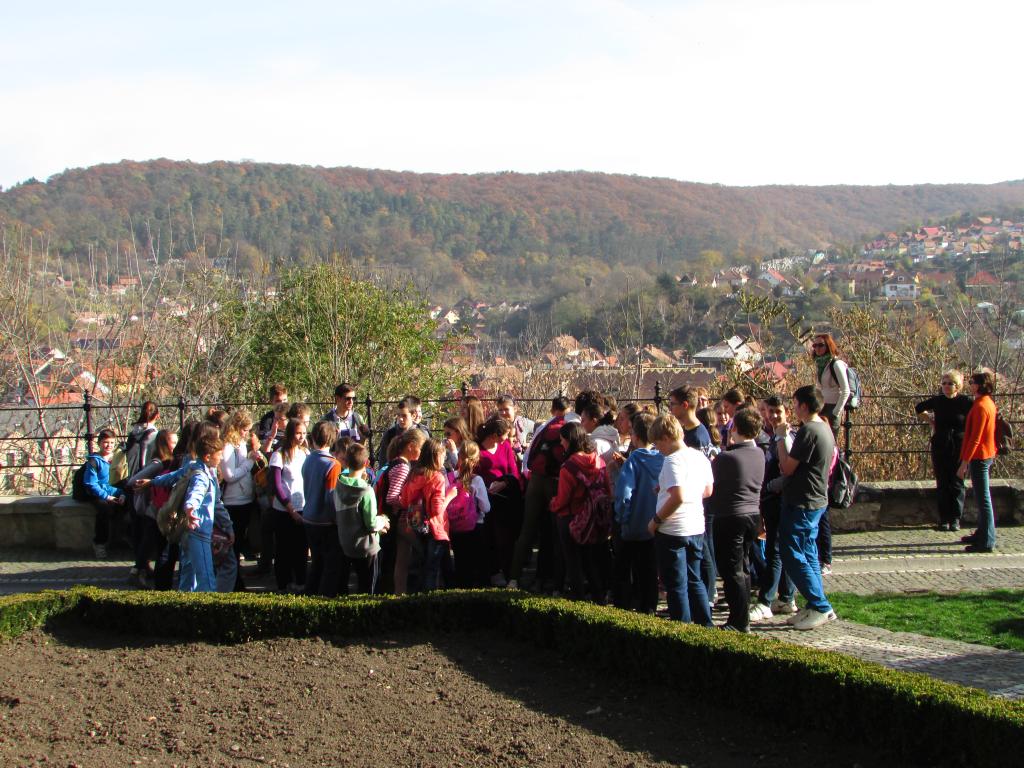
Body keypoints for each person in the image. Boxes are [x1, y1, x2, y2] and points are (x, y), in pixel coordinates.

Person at [776, 385, 837, 630]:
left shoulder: (809, 431)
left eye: (794, 403)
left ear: (803, 405)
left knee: (792, 553)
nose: (793, 408)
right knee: (809, 552)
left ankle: (821, 606)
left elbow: (787, 467)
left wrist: (780, 438)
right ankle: (814, 603)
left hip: (802, 501)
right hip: (815, 500)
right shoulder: (823, 427)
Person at [647, 414, 714, 626]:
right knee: (695, 580)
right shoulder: (699, 457)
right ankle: (705, 625)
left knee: (676, 585)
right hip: (696, 526)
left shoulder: (672, 460)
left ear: (666, 438)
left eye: (658, 444)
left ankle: (681, 629)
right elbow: (707, 490)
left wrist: (656, 520)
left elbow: (678, 497)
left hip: (673, 529)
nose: (658, 449)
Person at [708, 408, 766, 632]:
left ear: (735, 428)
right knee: (743, 567)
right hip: (752, 514)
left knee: (731, 570)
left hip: (730, 516)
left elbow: (713, 483)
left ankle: (738, 621)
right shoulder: (759, 453)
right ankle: (743, 616)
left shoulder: (727, 458)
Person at [510, 396, 571, 592]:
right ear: (569, 408)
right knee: (556, 533)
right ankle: (557, 584)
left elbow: (529, 456)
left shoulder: (544, 426)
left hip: (536, 480)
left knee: (527, 530)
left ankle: (513, 578)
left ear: (552, 410)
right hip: (556, 481)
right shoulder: (571, 425)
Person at [550, 422, 611, 604]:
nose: (561, 444)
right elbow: (608, 490)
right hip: (595, 519)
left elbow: (563, 499)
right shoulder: (599, 462)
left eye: (562, 440)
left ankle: (578, 600)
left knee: (573, 561)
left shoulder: (568, 467)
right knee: (591, 560)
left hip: (571, 518)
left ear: (570, 441)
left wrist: (553, 504)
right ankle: (599, 598)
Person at [749, 396, 798, 621]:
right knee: (780, 549)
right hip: (770, 500)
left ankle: (766, 600)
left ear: (787, 411)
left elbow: (789, 471)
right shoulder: (771, 436)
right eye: (770, 411)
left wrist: (771, 486)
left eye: (778, 411)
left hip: (780, 499)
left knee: (774, 550)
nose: (773, 416)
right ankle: (787, 597)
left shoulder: (787, 436)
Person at [613, 411, 663, 613]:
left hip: (633, 525)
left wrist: (621, 517)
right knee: (649, 570)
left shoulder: (633, 460)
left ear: (636, 435)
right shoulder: (662, 459)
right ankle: (649, 608)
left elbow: (624, 494)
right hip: (655, 524)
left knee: (624, 569)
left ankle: (623, 607)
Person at [915, 370, 973, 532]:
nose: (946, 386)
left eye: (950, 384)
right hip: (941, 444)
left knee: (957, 482)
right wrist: (931, 421)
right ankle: (944, 519)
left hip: (959, 444)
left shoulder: (965, 401)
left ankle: (955, 518)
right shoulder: (938, 400)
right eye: (944, 383)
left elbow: (974, 418)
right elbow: (919, 408)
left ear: (957, 386)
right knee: (942, 482)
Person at [400, 438, 458, 591]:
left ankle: (413, 599)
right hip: (435, 529)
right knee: (432, 570)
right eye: (443, 456)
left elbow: (404, 501)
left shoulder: (413, 474)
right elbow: (436, 510)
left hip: (415, 527)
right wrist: (450, 496)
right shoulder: (436, 477)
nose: (444, 460)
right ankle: (432, 601)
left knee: (418, 567)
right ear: (436, 456)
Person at [124, 429, 178, 588]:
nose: (176, 446)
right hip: (154, 509)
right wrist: (150, 483)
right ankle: (137, 572)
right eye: (173, 442)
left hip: (158, 508)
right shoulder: (158, 463)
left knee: (153, 544)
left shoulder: (169, 461)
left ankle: (142, 572)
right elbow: (133, 481)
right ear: (164, 444)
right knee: (150, 544)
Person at [336, 442, 391, 594]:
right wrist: (383, 521)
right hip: (366, 547)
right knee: (367, 588)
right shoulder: (366, 490)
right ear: (366, 463)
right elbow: (371, 523)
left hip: (346, 543)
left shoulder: (339, 484)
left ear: (346, 461)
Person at [475, 417, 524, 586]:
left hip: (505, 499)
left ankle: (508, 571)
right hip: (485, 499)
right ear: (494, 435)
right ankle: (493, 571)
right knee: (489, 537)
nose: (507, 438)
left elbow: (514, 471)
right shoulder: (477, 449)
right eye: (505, 435)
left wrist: (504, 483)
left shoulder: (505, 446)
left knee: (506, 538)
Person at [177, 434, 226, 593]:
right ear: (208, 457)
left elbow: (172, 476)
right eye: (219, 454)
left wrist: (152, 481)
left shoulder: (192, 466)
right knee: (206, 579)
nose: (221, 458)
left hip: (189, 530)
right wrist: (190, 508)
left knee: (188, 577)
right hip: (199, 530)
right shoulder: (202, 476)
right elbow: (195, 494)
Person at [220, 409, 260, 590]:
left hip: (244, 497)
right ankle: (233, 581)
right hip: (233, 500)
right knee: (233, 542)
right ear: (236, 428)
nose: (246, 433)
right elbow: (229, 475)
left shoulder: (240, 444)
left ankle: (236, 578)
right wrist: (249, 462)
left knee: (240, 539)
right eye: (244, 430)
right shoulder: (228, 447)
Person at [302, 420, 343, 596]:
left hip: (308, 516)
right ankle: (326, 597)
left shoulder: (308, 459)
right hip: (325, 521)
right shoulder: (333, 464)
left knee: (316, 563)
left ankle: (310, 594)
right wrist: (337, 520)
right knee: (330, 565)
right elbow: (331, 497)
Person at [960, 369, 999, 553]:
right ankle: (982, 533)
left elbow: (975, 438)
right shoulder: (986, 403)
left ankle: (987, 540)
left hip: (980, 456)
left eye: (972, 382)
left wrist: (964, 462)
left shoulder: (981, 406)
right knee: (981, 497)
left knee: (983, 499)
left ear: (980, 385)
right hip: (985, 454)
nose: (970, 385)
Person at [268, 418, 309, 592]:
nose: (301, 437)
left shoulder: (305, 453)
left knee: (301, 549)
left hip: (303, 507)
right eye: (298, 433)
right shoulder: (279, 455)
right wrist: (290, 508)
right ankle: (283, 585)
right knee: (283, 550)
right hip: (284, 510)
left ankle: (301, 583)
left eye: (304, 433)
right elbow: (277, 485)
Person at [386, 428, 428, 594]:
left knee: (402, 560)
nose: (422, 452)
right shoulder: (402, 467)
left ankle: (400, 593)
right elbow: (392, 497)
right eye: (421, 448)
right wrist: (409, 503)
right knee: (423, 552)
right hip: (402, 519)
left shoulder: (396, 463)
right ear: (411, 446)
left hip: (401, 519)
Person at [446, 440, 491, 588]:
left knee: (460, 563)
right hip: (475, 527)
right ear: (476, 460)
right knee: (477, 564)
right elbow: (486, 507)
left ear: (458, 457)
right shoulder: (477, 480)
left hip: (455, 527)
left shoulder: (449, 477)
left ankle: (461, 591)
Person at [82, 428, 126, 559]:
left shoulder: (119, 458)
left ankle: (126, 538)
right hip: (99, 494)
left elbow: (125, 478)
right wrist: (107, 496)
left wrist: (124, 494)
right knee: (104, 509)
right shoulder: (94, 461)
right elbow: (91, 483)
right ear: (99, 443)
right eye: (106, 442)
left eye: (112, 443)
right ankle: (99, 543)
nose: (109, 445)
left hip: (117, 492)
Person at [811, 333, 851, 441]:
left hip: (833, 407)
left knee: (831, 441)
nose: (817, 348)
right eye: (815, 345)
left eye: (821, 345)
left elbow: (846, 390)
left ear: (828, 346)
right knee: (820, 440)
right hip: (821, 407)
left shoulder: (836, 364)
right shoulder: (820, 365)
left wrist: (836, 412)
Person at [376, 396, 428, 468]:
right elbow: (383, 461)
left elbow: (427, 460)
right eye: (398, 415)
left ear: (413, 416)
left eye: (404, 416)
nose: (400, 419)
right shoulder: (390, 434)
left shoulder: (422, 434)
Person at [496, 395, 535, 466]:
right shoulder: (494, 425)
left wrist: (531, 445)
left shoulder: (523, 423)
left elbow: (540, 430)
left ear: (515, 409)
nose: (503, 413)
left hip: (520, 465)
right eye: (500, 410)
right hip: (500, 465)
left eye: (506, 409)